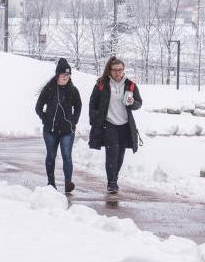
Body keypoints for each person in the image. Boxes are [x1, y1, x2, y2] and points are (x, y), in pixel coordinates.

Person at [88, 56, 142, 195]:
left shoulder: (130, 85)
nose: (118, 72)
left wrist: (132, 103)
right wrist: (94, 119)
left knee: (120, 154)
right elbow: (92, 103)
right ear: (110, 70)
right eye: (115, 70)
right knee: (111, 153)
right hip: (109, 123)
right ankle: (111, 182)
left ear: (124, 70)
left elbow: (139, 103)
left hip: (124, 125)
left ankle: (115, 178)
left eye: (120, 70)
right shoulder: (102, 84)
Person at [35, 58, 81, 193]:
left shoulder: (73, 90)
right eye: (63, 75)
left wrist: (74, 121)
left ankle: (68, 182)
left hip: (67, 130)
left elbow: (78, 106)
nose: (65, 77)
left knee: (67, 155)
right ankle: (51, 183)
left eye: (68, 75)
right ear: (57, 75)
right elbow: (38, 107)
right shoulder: (49, 89)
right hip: (50, 130)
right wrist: (45, 118)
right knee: (51, 155)